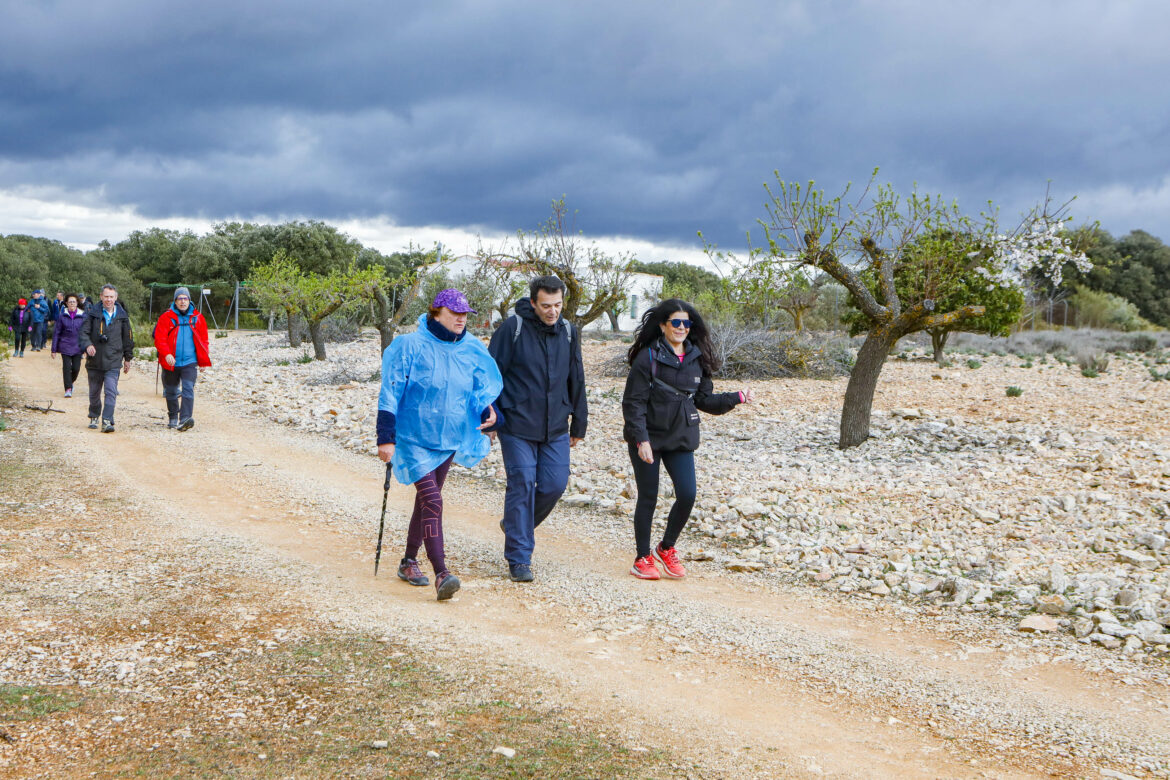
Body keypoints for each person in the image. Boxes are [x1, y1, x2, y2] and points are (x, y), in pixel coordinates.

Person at [377, 289, 503, 601]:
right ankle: (442, 572)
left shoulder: (471, 349)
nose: (461, 319)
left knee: (426, 503)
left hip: (448, 439)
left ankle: (408, 561)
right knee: (433, 501)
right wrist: (386, 437)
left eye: (465, 314)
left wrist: (490, 412)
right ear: (436, 312)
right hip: (413, 438)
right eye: (454, 313)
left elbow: (478, 391)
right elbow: (390, 392)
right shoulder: (409, 346)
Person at [621, 299, 753, 580]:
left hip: (681, 434)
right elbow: (633, 403)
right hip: (648, 437)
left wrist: (736, 398)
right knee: (648, 496)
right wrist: (641, 439)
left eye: (686, 323)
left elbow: (704, 399)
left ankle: (666, 548)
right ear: (663, 325)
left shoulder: (696, 357)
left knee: (688, 493)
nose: (681, 328)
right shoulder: (649, 357)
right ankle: (642, 558)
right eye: (676, 322)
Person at [488, 275, 587, 583]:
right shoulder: (512, 329)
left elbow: (577, 378)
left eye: (557, 305)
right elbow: (491, 373)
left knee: (555, 484)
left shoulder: (569, 332)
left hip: (556, 425)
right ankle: (519, 559)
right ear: (533, 303)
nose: (552, 311)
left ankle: (516, 525)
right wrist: (488, 414)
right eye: (546, 305)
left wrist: (579, 423)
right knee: (522, 483)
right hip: (516, 423)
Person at [78, 285, 134, 433]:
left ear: (116, 298)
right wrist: (88, 345)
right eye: (106, 296)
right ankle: (94, 415)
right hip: (94, 360)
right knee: (94, 392)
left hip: (114, 360)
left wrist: (127, 358)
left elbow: (127, 338)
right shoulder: (92, 314)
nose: (108, 299)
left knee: (111, 391)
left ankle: (107, 420)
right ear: (101, 297)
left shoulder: (122, 317)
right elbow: (83, 333)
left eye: (111, 297)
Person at [153, 287, 211, 430]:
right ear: (175, 301)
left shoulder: (197, 318)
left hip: (190, 361)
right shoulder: (166, 317)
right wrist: (166, 354)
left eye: (185, 299)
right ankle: (173, 416)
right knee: (171, 390)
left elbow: (204, 340)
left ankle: (185, 418)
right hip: (171, 362)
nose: (183, 301)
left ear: (189, 301)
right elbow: (159, 339)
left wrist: (203, 359)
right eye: (180, 299)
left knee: (188, 388)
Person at [50, 293, 87, 397]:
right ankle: (68, 389)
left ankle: (70, 383)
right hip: (65, 345)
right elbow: (56, 333)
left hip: (78, 346)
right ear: (66, 303)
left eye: (74, 302)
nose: (72, 303)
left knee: (76, 368)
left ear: (77, 303)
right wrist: (53, 350)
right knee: (66, 368)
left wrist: (86, 347)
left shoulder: (82, 316)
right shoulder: (62, 317)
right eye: (70, 302)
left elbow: (85, 332)